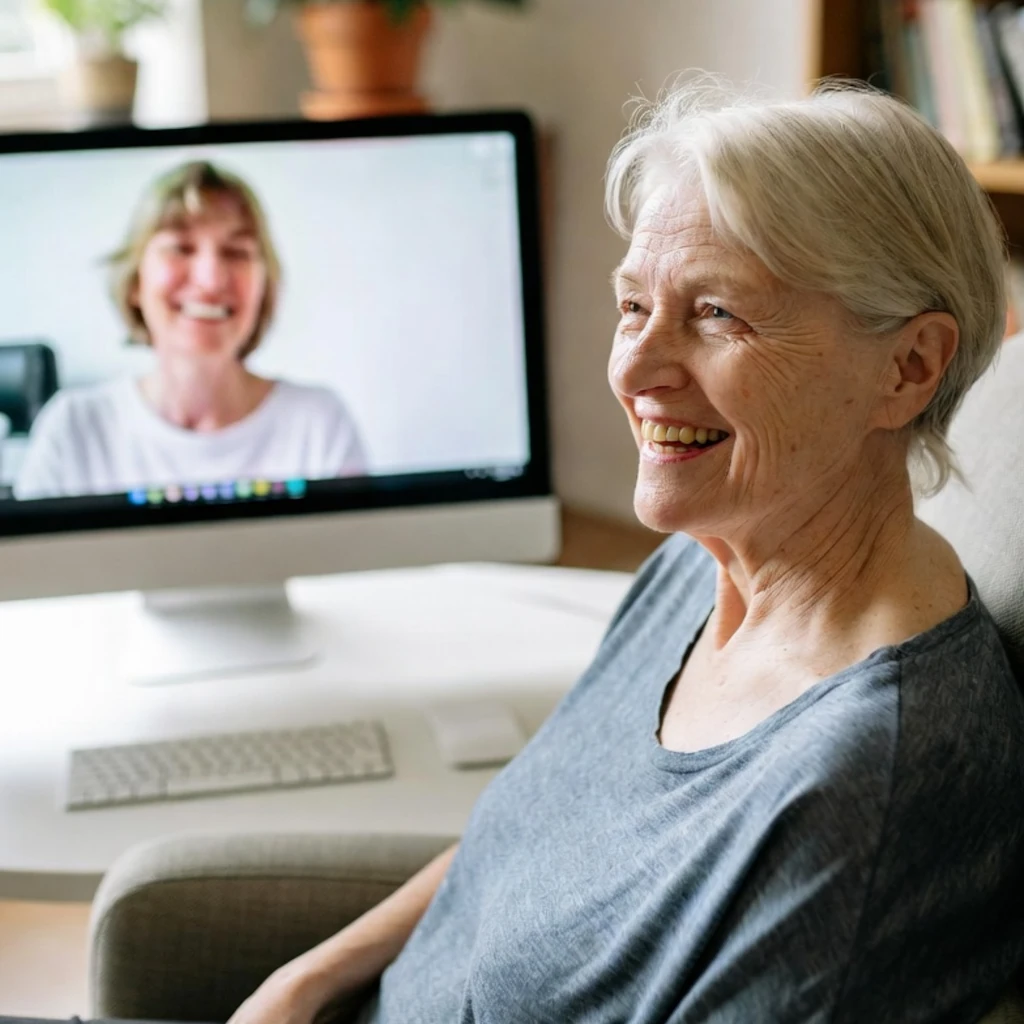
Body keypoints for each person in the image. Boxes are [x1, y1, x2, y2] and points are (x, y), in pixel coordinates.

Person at [10, 78, 1024, 1024]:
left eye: (715, 313)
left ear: (908, 366)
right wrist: (300, 981)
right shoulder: (702, 561)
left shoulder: (855, 781)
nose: (633, 366)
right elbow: (523, 833)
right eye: (633, 306)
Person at [14, 161, 366, 500]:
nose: (211, 280)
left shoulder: (320, 425)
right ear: (136, 281)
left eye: (236, 252)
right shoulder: (72, 428)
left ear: (265, 286)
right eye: (181, 248)